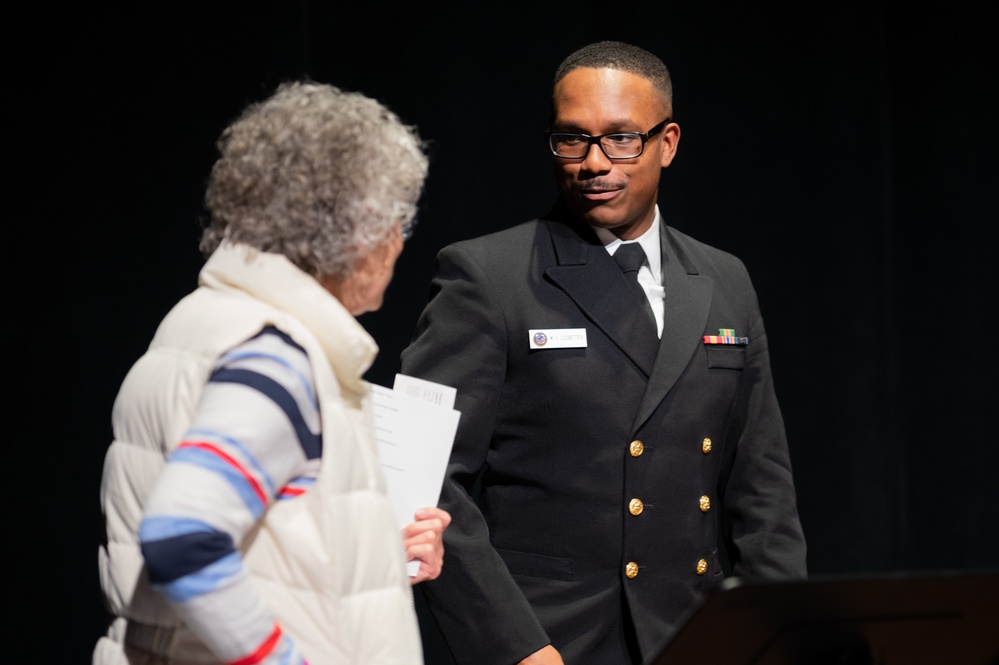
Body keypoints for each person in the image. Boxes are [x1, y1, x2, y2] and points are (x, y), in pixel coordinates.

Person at [399, 41, 806, 665]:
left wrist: (777, 636)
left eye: (621, 139)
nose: (593, 163)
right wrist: (515, 647)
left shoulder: (725, 280)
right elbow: (424, 482)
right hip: (554, 641)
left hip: (697, 637)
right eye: (572, 139)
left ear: (667, 143)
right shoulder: (488, 276)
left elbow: (761, 488)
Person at [94, 81, 450, 665]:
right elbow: (183, 538)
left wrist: (379, 556)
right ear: (358, 229)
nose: (397, 245)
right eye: (399, 226)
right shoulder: (275, 358)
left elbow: (272, 547)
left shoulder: (201, 322)